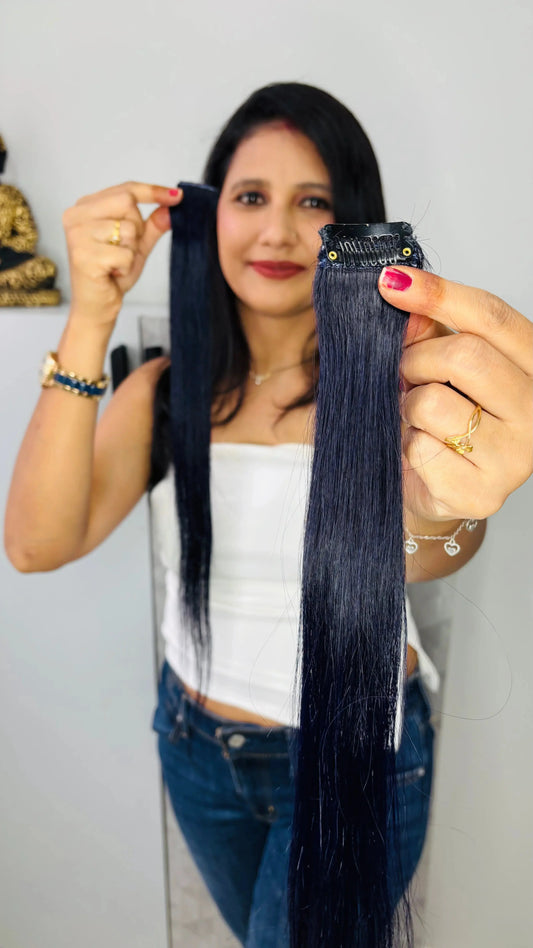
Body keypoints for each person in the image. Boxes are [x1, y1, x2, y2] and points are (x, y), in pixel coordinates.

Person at [4, 83, 532, 948]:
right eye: (250, 198)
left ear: (351, 221)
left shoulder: (391, 389)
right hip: (194, 745)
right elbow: (34, 543)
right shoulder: (168, 391)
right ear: (208, 216)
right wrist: (92, 316)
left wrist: (445, 507)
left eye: (313, 201)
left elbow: (434, 553)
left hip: (353, 754)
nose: (279, 231)